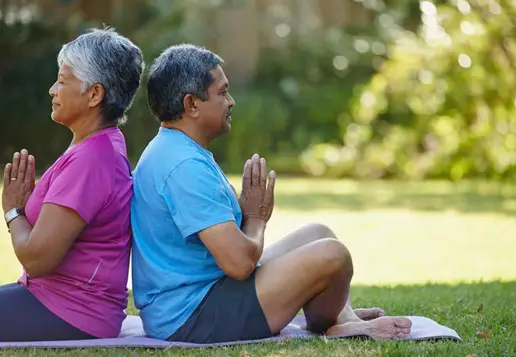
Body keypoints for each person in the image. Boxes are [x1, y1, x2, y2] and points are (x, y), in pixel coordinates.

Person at [130, 44, 412, 343]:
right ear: (192, 104)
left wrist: (243, 217)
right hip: (193, 316)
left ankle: (344, 319)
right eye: (223, 93)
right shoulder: (183, 165)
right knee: (334, 255)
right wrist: (255, 219)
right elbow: (239, 265)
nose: (232, 101)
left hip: (207, 294)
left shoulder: (176, 149)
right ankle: (337, 322)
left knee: (318, 233)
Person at [0, 28, 144, 341]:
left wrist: (13, 212)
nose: (53, 89)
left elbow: (38, 259)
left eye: (63, 80)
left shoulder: (91, 160)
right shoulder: (96, 147)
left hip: (72, 311)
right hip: (57, 302)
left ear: (95, 94)